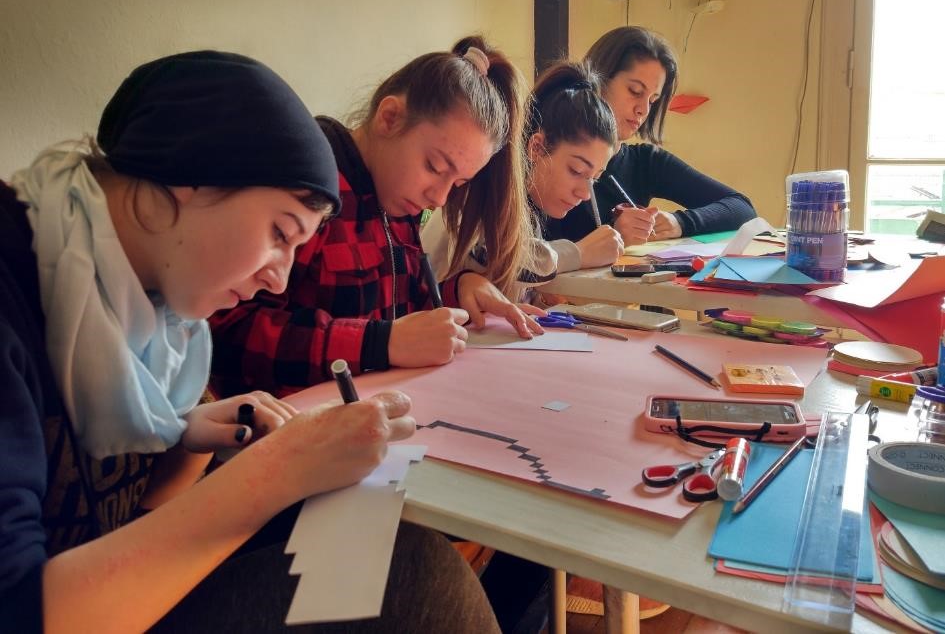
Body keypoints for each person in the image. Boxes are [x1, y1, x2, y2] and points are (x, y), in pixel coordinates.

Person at [0, 51, 500, 633]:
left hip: (116, 585)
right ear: (188, 177)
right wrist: (275, 471)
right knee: (420, 582)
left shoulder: (144, 302)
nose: (280, 279)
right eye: (280, 233)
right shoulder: (22, 289)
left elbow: (134, 517)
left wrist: (185, 440)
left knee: (386, 545)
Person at [209, 36, 543, 399]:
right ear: (389, 118)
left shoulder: (396, 199)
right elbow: (229, 334)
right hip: (287, 416)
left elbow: (404, 310)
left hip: (378, 406)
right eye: (434, 167)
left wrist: (460, 290)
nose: (439, 197)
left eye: (458, 183)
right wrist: (381, 343)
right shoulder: (310, 187)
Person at [422, 60, 624, 298]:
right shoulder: (483, 189)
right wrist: (579, 253)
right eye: (577, 171)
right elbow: (499, 258)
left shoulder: (530, 212)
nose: (585, 194)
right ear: (536, 147)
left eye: (594, 179)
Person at [544, 26, 756, 246]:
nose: (643, 110)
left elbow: (741, 208)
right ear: (599, 79)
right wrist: (611, 239)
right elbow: (532, 254)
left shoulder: (644, 161)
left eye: (653, 100)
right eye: (635, 91)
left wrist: (678, 222)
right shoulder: (548, 153)